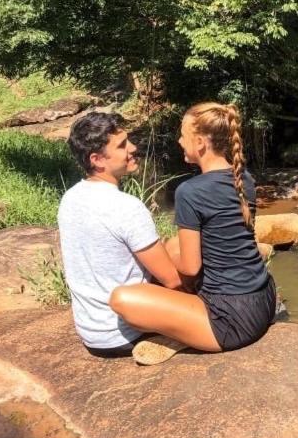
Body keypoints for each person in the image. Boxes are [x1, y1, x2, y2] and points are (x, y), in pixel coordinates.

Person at [108, 101, 277, 363]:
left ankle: (185, 334)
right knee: (172, 245)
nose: (178, 141)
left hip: (231, 319)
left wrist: (173, 284)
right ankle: (187, 321)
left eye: (183, 135)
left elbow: (190, 268)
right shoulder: (244, 178)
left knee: (122, 300)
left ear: (199, 143)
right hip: (264, 298)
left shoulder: (190, 191)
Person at [58, 111, 183, 357]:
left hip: (92, 332)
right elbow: (173, 281)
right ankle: (173, 341)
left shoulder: (70, 197)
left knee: (174, 245)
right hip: (128, 332)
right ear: (97, 160)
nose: (133, 148)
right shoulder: (126, 206)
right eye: (123, 145)